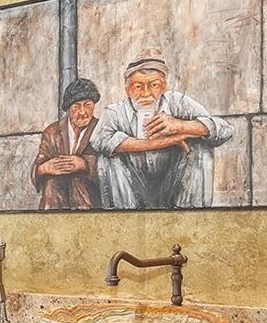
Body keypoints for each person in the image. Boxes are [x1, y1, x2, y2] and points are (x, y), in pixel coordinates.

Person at [89, 48, 234, 208]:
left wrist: (180, 125)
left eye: (154, 85)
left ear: (163, 86)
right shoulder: (115, 112)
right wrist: (169, 141)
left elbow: (225, 130)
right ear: (127, 90)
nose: (146, 93)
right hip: (132, 190)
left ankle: (191, 213)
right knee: (107, 159)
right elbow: (99, 141)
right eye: (138, 86)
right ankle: (124, 217)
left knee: (200, 147)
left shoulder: (177, 102)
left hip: (173, 185)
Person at [31, 77, 102, 210]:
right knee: (52, 184)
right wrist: (44, 168)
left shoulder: (102, 129)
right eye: (76, 106)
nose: (82, 112)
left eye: (87, 105)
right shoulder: (52, 132)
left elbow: (112, 168)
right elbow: (37, 167)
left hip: (90, 200)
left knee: (78, 181)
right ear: (68, 109)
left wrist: (85, 165)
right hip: (56, 199)